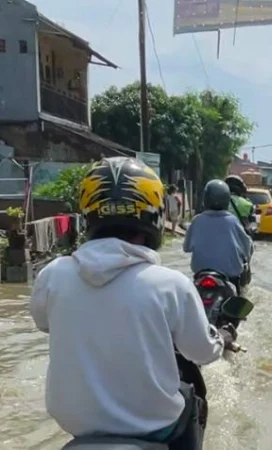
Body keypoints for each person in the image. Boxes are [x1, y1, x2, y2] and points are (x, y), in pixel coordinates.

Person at [30, 157, 235, 449]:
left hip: (78, 431)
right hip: (156, 430)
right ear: (154, 215)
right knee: (191, 398)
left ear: (88, 213)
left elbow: (43, 323)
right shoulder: (171, 284)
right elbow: (202, 352)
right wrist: (221, 338)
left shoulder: (51, 276)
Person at [184, 179, 253, 293]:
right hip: (229, 277)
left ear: (205, 199)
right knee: (236, 307)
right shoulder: (232, 221)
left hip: (200, 275)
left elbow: (186, 248)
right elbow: (247, 246)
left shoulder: (197, 220)